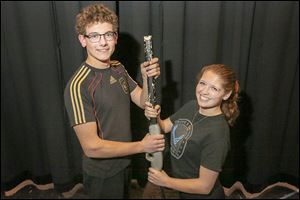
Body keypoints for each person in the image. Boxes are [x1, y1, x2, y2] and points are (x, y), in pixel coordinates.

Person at [63, 3, 165, 199]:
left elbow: (142, 101)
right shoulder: (78, 86)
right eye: (94, 36)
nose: (103, 42)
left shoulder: (118, 67)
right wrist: (142, 146)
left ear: (115, 37)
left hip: (125, 163)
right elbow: (91, 147)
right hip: (103, 174)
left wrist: (145, 77)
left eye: (108, 34)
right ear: (83, 40)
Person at [145, 64, 240, 199]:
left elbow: (205, 187)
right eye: (203, 83)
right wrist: (155, 116)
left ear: (226, 94)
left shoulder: (218, 134)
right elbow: (165, 126)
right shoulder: (192, 106)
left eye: (214, 88)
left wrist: (166, 181)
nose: (204, 91)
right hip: (182, 193)